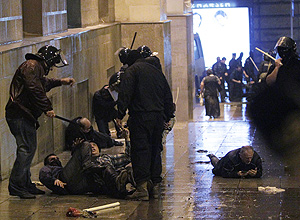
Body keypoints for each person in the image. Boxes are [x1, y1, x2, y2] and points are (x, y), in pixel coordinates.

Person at [5, 45, 75, 199]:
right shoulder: (32, 65)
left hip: (23, 115)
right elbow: (34, 88)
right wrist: (47, 107)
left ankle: (25, 184)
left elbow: (43, 83)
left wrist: (61, 81)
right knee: (26, 149)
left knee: (28, 150)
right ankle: (17, 185)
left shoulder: (35, 67)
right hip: (19, 115)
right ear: (49, 60)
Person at [116, 50, 174, 200]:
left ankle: (142, 187)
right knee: (155, 149)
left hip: (140, 117)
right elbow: (167, 94)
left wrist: (119, 114)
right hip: (158, 117)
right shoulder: (157, 72)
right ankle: (153, 185)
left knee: (141, 150)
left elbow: (125, 94)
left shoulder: (132, 71)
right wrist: (168, 115)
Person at [250, 36, 300, 172]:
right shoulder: (276, 64)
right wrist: (277, 68)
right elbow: (269, 82)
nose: (283, 52)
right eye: (280, 50)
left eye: (285, 50)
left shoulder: (297, 64)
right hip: (282, 106)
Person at [39, 136, 132, 198]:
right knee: (86, 144)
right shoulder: (51, 169)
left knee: (109, 170)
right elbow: (43, 175)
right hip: (68, 182)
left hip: (85, 184)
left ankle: (119, 186)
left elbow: (127, 156)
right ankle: (116, 182)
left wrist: (128, 138)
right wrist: (54, 180)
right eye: (52, 159)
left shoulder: (105, 158)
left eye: (94, 146)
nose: (92, 147)